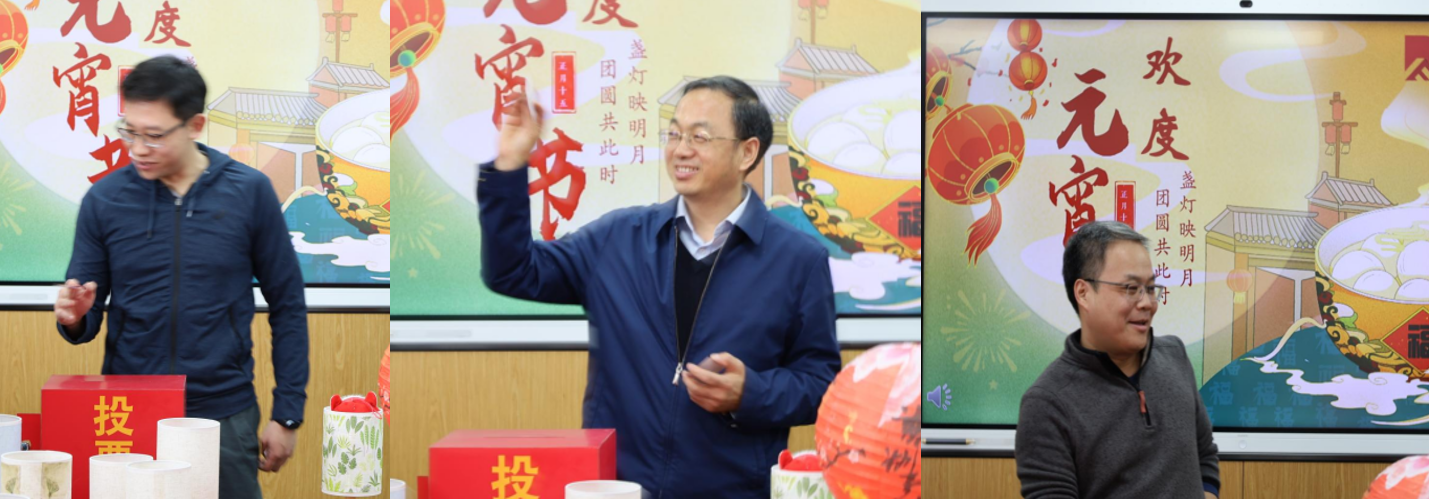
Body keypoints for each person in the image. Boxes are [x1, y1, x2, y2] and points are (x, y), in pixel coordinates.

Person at [479, 76, 841, 497]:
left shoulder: (798, 260)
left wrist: (751, 394)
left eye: (699, 137)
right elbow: (514, 271)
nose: (681, 149)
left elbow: (820, 384)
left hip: (733, 489)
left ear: (747, 152)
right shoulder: (618, 239)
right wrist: (508, 166)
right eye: (674, 135)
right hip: (618, 488)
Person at [52, 55, 309, 499]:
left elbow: (287, 305)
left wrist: (287, 414)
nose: (137, 148)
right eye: (129, 131)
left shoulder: (249, 192)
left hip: (223, 412)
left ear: (195, 126)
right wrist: (74, 317)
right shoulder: (105, 200)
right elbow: (84, 318)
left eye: (154, 135)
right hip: (129, 412)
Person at [1015, 221, 1220, 499]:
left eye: (1151, 288)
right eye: (1130, 288)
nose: (1147, 303)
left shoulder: (1175, 356)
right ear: (1084, 293)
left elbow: (1204, 454)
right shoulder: (1047, 403)